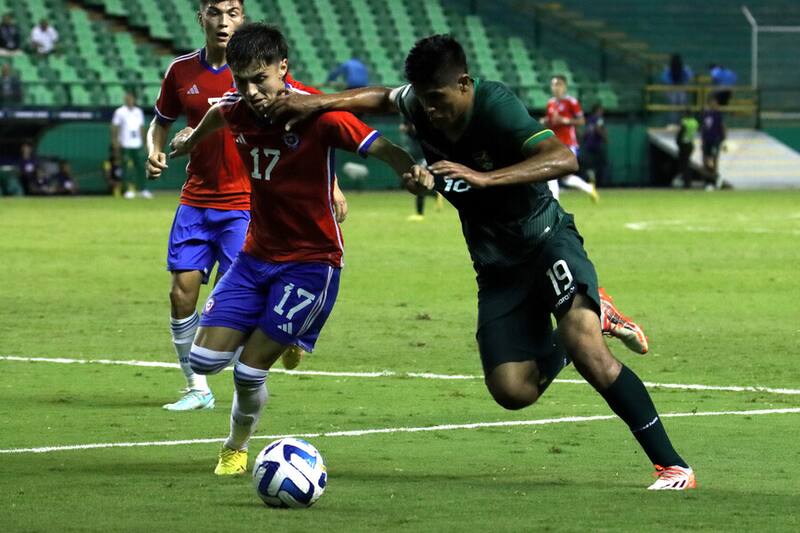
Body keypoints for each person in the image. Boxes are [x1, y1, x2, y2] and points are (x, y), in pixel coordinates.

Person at [263, 34, 695, 491]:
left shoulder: (495, 105)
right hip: (495, 265)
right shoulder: (420, 101)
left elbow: (564, 158)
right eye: (423, 101)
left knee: (588, 347)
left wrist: (485, 179)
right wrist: (317, 104)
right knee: (512, 390)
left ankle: (673, 466)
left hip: (545, 239)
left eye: (437, 99)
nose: (429, 110)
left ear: (464, 83)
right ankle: (594, 314)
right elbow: (381, 97)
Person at [168, 23, 419, 475]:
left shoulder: (317, 113)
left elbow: (379, 146)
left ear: (282, 68)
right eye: (240, 80)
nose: (251, 91)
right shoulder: (236, 109)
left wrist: (409, 169)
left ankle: (235, 447)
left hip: (312, 261)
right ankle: (282, 331)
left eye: (260, 79)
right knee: (204, 359)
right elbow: (217, 116)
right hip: (256, 255)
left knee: (248, 371)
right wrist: (188, 142)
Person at [145, 0, 346, 411]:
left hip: (247, 204)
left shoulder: (262, 73)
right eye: (215, 12)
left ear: (244, 17)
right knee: (180, 294)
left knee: (246, 300)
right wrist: (155, 149)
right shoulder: (181, 71)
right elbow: (161, 122)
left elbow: (309, 127)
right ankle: (197, 387)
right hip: (196, 199)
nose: (224, 21)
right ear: (200, 17)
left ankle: (280, 343)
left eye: (233, 12)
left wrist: (334, 184)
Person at [542, 75, 598, 202]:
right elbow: (551, 121)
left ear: (564, 87)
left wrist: (564, 120)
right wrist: (545, 121)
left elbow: (582, 121)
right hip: (554, 143)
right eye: (553, 85)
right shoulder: (550, 103)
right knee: (555, 175)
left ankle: (555, 204)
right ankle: (589, 189)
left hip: (568, 144)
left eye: (559, 85)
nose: (556, 88)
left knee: (560, 176)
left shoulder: (571, 102)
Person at [400, 120, 442, 221]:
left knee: (419, 182)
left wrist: (407, 128)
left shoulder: (423, 132)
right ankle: (435, 194)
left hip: (424, 159)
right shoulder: (416, 133)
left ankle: (419, 214)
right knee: (420, 184)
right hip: (418, 159)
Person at [112, 91, 150, 199]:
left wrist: (145, 142)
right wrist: (115, 141)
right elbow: (115, 127)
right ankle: (128, 190)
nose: (129, 100)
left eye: (131, 98)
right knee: (126, 168)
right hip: (125, 144)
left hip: (137, 144)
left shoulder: (138, 112)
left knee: (141, 167)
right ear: (125, 99)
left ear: (134, 100)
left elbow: (141, 128)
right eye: (127, 98)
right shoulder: (119, 112)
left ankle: (143, 189)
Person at [579, 103, 608, 187]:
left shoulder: (589, 119)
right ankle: (599, 184)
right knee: (600, 165)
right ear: (597, 110)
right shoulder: (599, 118)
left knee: (589, 165)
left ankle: (591, 181)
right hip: (596, 146)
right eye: (601, 110)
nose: (602, 112)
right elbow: (598, 128)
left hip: (588, 145)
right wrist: (605, 137)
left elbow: (584, 133)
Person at [701, 95, 725, 190]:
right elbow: (703, 128)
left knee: (714, 161)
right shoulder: (705, 114)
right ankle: (707, 181)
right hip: (707, 141)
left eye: (715, 102)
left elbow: (722, 126)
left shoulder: (718, 114)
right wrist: (702, 140)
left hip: (715, 140)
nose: (714, 104)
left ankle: (714, 181)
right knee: (706, 161)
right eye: (712, 102)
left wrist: (723, 138)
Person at [661, 54, 693, 122]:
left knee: (682, 105)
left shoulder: (684, 68)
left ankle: (683, 122)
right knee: (674, 106)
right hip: (672, 89)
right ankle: (674, 122)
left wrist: (684, 82)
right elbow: (664, 78)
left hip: (681, 88)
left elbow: (690, 76)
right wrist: (671, 83)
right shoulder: (668, 69)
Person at [673, 109, 698, 188]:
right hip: (691, 144)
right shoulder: (695, 122)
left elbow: (681, 133)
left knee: (684, 164)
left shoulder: (684, 122)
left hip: (684, 144)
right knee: (687, 163)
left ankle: (686, 182)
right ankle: (688, 181)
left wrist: (678, 142)